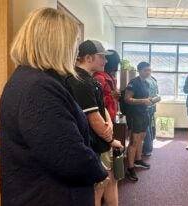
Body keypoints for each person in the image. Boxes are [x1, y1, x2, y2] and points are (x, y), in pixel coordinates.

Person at [0, 8, 107, 206]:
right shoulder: (39, 87)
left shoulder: (27, 78)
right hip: (48, 196)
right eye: (74, 43)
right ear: (59, 44)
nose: (76, 51)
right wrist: (98, 169)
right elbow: (70, 157)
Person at [67, 40, 123, 206]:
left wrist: (109, 123)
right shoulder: (79, 81)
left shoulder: (90, 80)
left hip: (99, 143)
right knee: (97, 190)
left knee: (105, 183)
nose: (105, 61)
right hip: (91, 145)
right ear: (89, 58)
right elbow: (93, 119)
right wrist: (111, 139)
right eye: (102, 57)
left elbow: (101, 107)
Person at [125, 61, 152, 181]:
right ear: (139, 70)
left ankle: (138, 160)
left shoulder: (146, 83)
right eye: (146, 70)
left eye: (149, 70)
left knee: (141, 138)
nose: (148, 72)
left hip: (144, 113)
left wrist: (149, 100)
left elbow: (144, 98)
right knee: (134, 142)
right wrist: (142, 100)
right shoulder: (133, 83)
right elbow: (127, 99)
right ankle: (130, 168)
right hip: (134, 115)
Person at [94, 50, 121, 122]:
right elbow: (96, 102)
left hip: (110, 115)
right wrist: (112, 95)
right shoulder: (99, 78)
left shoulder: (109, 76)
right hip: (104, 118)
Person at [142, 75, 158, 156]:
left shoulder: (145, 81)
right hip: (152, 106)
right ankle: (150, 146)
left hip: (147, 106)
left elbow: (144, 95)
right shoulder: (153, 80)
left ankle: (147, 149)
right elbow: (157, 93)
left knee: (146, 127)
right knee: (149, 126)